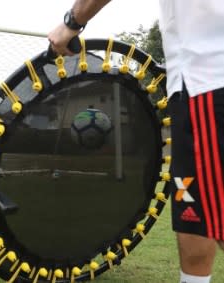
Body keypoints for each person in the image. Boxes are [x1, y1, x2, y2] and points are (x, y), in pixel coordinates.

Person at [48, 1, 224, 283]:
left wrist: (71, 22)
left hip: (208, 78)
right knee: (197, 207)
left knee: (203, 210)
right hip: (201, 80)